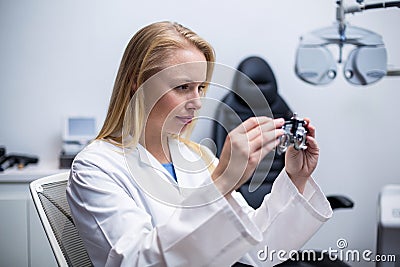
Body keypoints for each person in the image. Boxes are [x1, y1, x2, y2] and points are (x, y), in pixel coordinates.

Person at [66, 21, 333, 267]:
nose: (196, 102)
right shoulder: (96, 167)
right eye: (182, 87)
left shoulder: (197, 157)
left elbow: (257, 247)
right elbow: (137, 261)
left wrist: (296, 178)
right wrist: (221, 183)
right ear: (137, 83)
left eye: (200, 88)